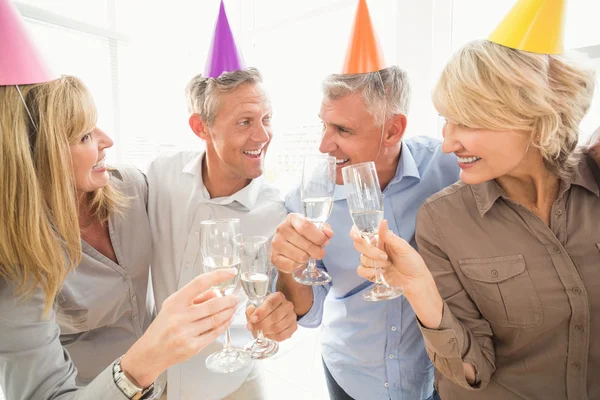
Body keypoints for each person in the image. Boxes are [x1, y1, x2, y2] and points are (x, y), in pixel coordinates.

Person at [354, 39, 600, 399]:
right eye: (447, 122)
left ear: (534, 117)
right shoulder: (443, 219)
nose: (448, 144)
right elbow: (472, 370)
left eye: (468, 122)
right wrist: (419, 287)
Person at [0, 75, 239, 400]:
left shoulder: (130, 186)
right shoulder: (18, 267)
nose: (107, 140)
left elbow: (202, 188)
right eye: (85, 136)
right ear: (41, 157)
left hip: (167, 385)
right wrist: (143, 362)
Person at [270, 65, 459, 400]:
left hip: (434, 374)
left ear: (393, 129)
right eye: (324, 125)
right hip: (351, 373)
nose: (325, 145)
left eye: (342, 130)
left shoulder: (446, 167)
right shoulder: (306, 198)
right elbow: (306, 311)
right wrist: (290, 266)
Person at [147, 67, 297, 400]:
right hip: (154, 384)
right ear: (201, 126)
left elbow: (281, 301)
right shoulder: (161, 175)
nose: (262, 136)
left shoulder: (276, 210)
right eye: (245, 122)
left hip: (231, 385)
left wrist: (279, 317)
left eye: (266, 119)